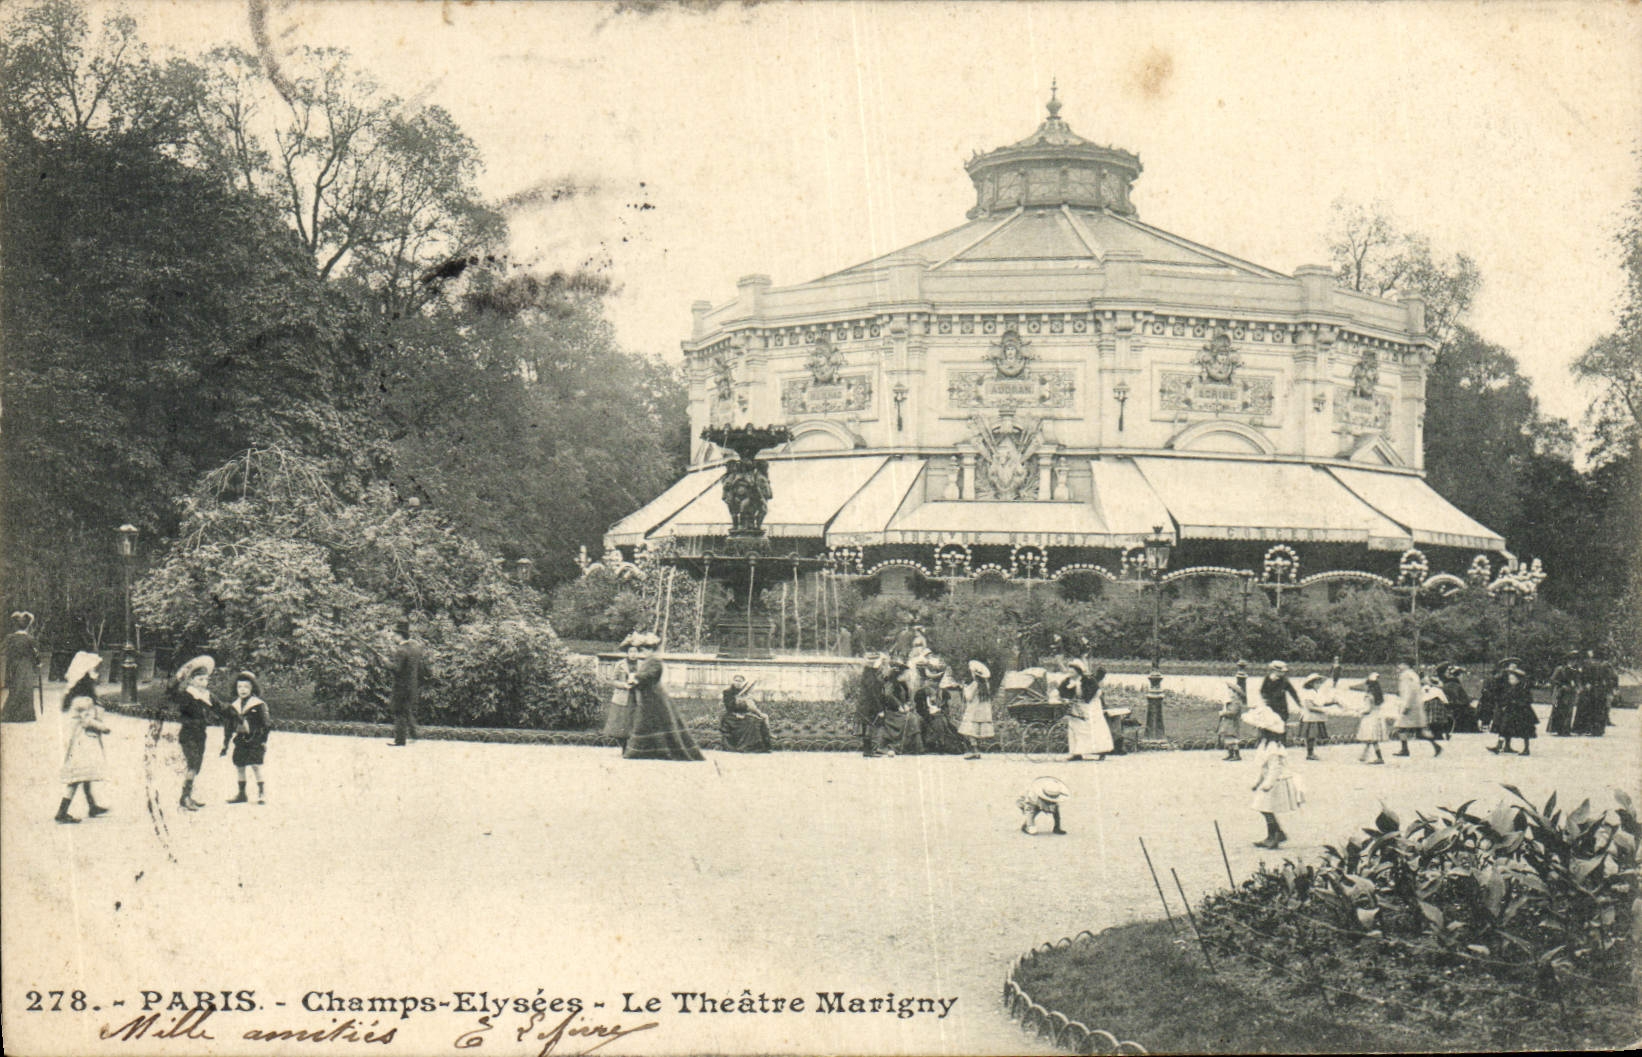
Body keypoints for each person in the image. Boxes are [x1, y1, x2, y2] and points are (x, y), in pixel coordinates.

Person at [622, 633, 703, 761]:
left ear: (650, 649)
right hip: (648, 695)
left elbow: (651, 675)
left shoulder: (654, 660)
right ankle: (648, 751)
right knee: (650, 722)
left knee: (656, 722)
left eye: (644, 649)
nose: (642, 652)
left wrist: (636, 678)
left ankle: (654, 751)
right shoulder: (649, 660)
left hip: (655, 696)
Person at [168, 655, 229, 811]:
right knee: (192, 763)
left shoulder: (207, 695)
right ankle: (185, 797)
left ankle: (187, 795)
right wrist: (178, 678)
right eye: (200, 679)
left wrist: (237, 712)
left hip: (200, 733)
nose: (204, 683)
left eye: (205, 679)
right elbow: (171, 692)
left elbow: (221, 708)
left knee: (196, 765)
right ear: (192, 680)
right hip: (188, 733)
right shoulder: (186, 695)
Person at [55, 652, 111, 823]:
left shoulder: (77, 696)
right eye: (93, 672)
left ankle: (92, 805)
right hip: (83, 741)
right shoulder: (83, 700)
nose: (97, 675)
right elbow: (88, 721)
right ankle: (62, 812)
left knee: (84, 773)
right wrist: (104, 728)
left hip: (80, 740)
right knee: (78, 775)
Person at [1248, 710, 1303, 848]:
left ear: (1266, 732)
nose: (1256, 732)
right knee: (1264, 808)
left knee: (1265, 807)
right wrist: (1258, 782)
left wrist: (1267, 784)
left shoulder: (1273, 747)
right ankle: (1275, 833)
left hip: (1277, 782)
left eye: (1258, 730)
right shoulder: (1264, 745)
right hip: (1270, 781)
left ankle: (1275, 835)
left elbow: (1274, 768)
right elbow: (1263, 767)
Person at [223, 671, 271, 804]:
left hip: (255, 739)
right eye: (240, 687)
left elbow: (267, 724)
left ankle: (261, 793)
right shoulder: (234, 705)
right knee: (240, 765)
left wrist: (262, 740)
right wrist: (225, 743)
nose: (242, 690)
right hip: (241, 739)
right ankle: (242, 793)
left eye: (246, 687)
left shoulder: (258, 704)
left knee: (256, 765)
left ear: (252, 688)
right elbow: (228, 725)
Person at [1061, 660, 1113, 762]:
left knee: (1093, 728)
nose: (1070, 674)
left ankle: (1101, 751)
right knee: (1074, 728)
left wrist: (1081, 693)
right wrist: (1062, 697)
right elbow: (1061, 691)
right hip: (1077, 706)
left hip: (1091, 706)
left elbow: (1094, 693)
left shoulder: (1088, 680)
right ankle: (1077, 753)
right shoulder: (1068, 680)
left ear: (1078, 672)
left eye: (1072, 672)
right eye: (1069, 672)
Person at [388, 620, 428, 747]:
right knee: (406, 710)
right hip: (412, 686)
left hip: (401, 686)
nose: (392, 636)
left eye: (394, 634)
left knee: (399, 711)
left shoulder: (401, 650)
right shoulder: (415, 648)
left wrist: (385, 662)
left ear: (400, 635)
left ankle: (400, 741)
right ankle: (415, 734)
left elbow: (396, 669)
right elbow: (420, 668)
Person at [871, 661, 922, 757]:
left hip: (901, 711)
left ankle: (913, 747)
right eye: (904, 673)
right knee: (910, 719)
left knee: (915, 718)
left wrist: (908, 705)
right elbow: (888, 695)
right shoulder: (891, 683)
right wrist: (899, 706)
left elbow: (908, 699)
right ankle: (897, 747)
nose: (906, 675)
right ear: (898, 674)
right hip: (891, 712)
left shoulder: (903, 684)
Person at [1393, 662, 1441, 757]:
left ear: (1407, 665)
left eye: (1402, 664)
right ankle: (1435, 746)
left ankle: (1405, 749)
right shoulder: (1414, 675)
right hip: (1416, 705)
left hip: (1410, 706)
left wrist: (1406, 706)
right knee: (1419, 729)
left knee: (1401, 728)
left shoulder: (1406, 675)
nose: (1399, 666)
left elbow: (1409, 692)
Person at [1488, 663, 1537, 756]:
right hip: (1511, 712)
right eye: (1510, 679)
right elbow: (1507, 698)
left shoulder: (1523, 689)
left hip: (1523, 713)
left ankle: (1526, 748)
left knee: (1525, 731)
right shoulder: (1511, 688)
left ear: (1518, 680)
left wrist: (1517, 702)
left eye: (1512, 678)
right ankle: (1500, 746)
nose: (1510, 680)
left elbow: (1528, 700)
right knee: (1504, 728)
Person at [604, 636, 643, 751]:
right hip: (623, 696)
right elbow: (613, 680)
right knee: (623, 723)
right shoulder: (620, 664)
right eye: (630, 651)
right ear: (627, 653)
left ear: (638, 653)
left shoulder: (642, 665)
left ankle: (634, 747)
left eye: (635, 651)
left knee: (635, 721)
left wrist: (638, 682)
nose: (633, 654)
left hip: (636, 696)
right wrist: (624, 685)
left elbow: (646, 679)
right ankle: (624, 747)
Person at [3, 611, 42, 723]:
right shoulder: (30, 639)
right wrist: (38, 663)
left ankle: (11, 714)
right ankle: (25, 715)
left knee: (15, 688)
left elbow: (4, 649)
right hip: (26, 666)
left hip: (13, 666)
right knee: (25, 689)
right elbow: (36, 654)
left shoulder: (10, 637)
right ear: (27, 626)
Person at [719, 674, 772, 753]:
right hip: (731, 716)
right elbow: (729, 707)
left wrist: (747, 704)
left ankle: (763, 744)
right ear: (733, 681)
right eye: (736, 680)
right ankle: (747, 746)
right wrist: (740, 703)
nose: (738, 683)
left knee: (758, 720)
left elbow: (750, 707)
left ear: (743, 682)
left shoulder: (745, 693)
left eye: (740, 681)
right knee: (750, 723)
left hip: (743, 714)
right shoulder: (727, 692)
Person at [1347, 672, 1390, 764]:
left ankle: (1379, 757)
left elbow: (1368, 709)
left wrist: (1359, 711)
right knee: (1370, 738)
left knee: (1372, 739)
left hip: (1370, 718)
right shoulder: (1379, 696)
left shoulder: (1368, 696)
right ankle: (1364, 754)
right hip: (1377, 716)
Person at [956, 660, 995, 759]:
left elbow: (969, 697)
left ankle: (974, 751)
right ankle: (976, 751)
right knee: (976, 731)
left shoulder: (975, 684)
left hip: (973, 711)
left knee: (969, 732)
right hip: (982, 713)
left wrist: (964, 688)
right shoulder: (986, 685)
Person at [1296, 673, 1330, 761]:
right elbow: (1309, 706)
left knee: (1313, 735)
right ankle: (1310, 753)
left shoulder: (1316, 692)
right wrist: (1322, 710)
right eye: (1316, 682)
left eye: (1319, 682)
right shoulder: (1309, 693)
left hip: (1315, 717)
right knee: (1310, 735)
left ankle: (1311, 752)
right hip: (1310, 717)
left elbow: (1320, 702)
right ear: (1311, 683)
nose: (1319, 684)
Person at [1547, 651, 1581, 737]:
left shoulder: (1576, 670)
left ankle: (1566, 729)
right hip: (1561, 692)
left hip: (1571, 692)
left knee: (1569, 710)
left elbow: (1577, 681)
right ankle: (1559, 729)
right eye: (1571, 660)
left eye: (1575, 660)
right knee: (1560, 710)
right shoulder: (1560, 669)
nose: (1573, 662)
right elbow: (1553, 679)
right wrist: (1562, 685)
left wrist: (1578, 688)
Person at [1441, 664, 1478, 733]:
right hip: (1459, 710)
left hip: (1449, 708)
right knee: (1472, 710)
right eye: (1462, 675)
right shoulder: (1457, 685)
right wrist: (1470, 700)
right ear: (1459, 675)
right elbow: (1463, 700)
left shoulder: (1445, 685)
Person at [1217, 679, 1246, 761]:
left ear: (1235, 693)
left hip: (1232, 723)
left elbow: (1233, 712)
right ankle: (1230, 754)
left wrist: (1224, 713)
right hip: (1228, 723)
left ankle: (1236, 755)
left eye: (1230, 691)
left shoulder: (1235, 701)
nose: (1228, 692)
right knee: (1228, 738)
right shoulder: (1231, 701)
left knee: (1232, 739)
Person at [1422, 671, 1453, 741]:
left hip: (1427, 707)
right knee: (1442, 721)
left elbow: (1421, 698)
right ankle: (1442, 734)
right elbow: (1445, 700)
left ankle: (1430, 733)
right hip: (1438, 708)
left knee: (1428, 720)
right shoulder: (1438, 690)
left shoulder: (1425, 689)